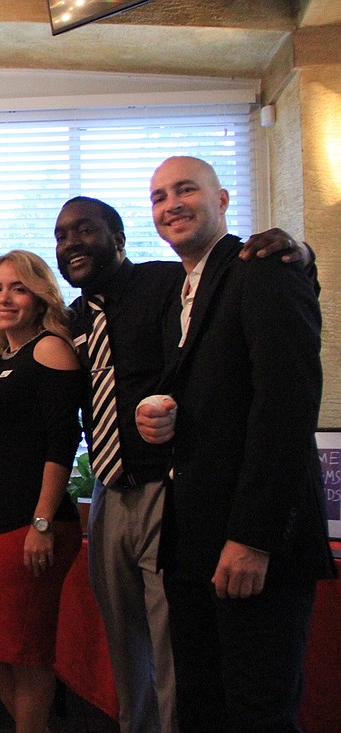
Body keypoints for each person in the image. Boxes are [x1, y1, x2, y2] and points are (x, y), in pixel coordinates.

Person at [54, 196, 309, 733]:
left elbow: (242, 290)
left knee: (174, 649)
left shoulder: (168, 284)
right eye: (61, 236)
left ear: (119, 237)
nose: (72, 243)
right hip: (106, 491)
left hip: (163, 492)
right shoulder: (73, 318)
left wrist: (299, 253)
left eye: (86, 230)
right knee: (125, 643)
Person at [135, 156, 335, 732]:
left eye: (186, 189)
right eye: (158, 196)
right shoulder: (185, 290)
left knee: (257, 714)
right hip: (196, 543)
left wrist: (253, 538)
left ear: (222, 201)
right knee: (204, 706)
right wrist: (168, 423)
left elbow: (286, 409)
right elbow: (223, 400)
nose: (170, 204)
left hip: (251, 546)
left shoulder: (263, 267)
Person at [0, 250, 84, 733]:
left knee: (28, 653)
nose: (4, 298)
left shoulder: (51, 347)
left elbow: (62, 443)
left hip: (35, 521)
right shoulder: (2, 356)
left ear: (39, 296)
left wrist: (42, 522)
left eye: (18, 288)